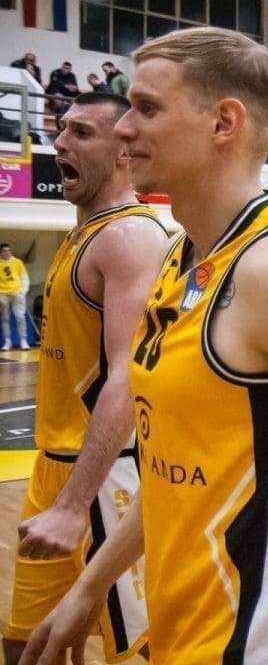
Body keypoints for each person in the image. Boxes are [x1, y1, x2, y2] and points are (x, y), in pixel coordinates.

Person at [21, 28, 268, 665]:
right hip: (181, 637)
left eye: (147, 108)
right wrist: (89, 586)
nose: (123, 128)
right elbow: (171, 467)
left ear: (223, 123)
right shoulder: (178, 259)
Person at [4, 92, 169, 665]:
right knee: (27, 645)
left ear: (124, 150)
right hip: (56, 467)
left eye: (81, 133)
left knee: (146, 651)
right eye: (60, 129)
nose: (59, 143)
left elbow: (127, 376)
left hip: (105, 476)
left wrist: (74, 505)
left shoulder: (129, 237)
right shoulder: (84, 232)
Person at [0, 243, 30, 351]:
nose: (7, 252)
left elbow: (24, 278)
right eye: (5, 251)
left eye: (9, 250)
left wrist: (22, 292)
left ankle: (23, 340)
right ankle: (7, 341)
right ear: (1, 252)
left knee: (20, 317)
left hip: (17, 293)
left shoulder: (17, 262)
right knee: (5, 318)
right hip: (3, 294)